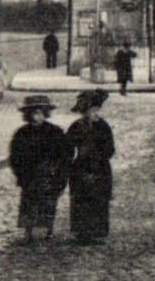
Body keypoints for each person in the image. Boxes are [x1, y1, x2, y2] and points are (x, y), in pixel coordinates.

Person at [9, 94, 71, 243]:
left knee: (49, 202)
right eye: (34, 113)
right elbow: (15, 155)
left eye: (40, 113)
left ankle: (48, 230)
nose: (37, 117)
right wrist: (20, 173)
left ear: (45, 114)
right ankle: (28, 231)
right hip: (29, 174)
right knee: (29, 203)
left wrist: (59, 172)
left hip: (49, 174)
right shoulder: (22, 133)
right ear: (28, 115)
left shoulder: (55, 132)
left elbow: (65, 153)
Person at [66, 89, 115, 244]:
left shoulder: (103, 126)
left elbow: (110, 148)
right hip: (81, 167)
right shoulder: (76, 126)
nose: (95, 114)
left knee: (99, 198)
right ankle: (82, 232)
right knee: (82, 198)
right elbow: (67, 146)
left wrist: (100, 155)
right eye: (92, 111)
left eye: (97, 110)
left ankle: (96, 231)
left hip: (100, 167)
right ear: (84, 112)